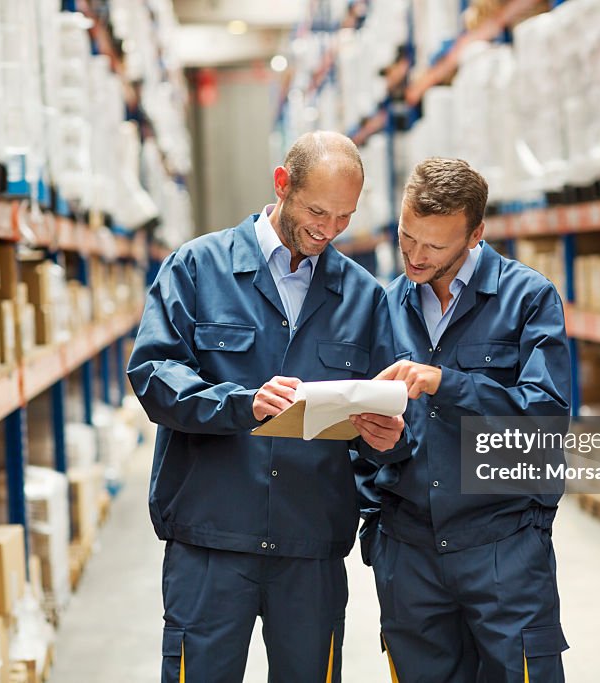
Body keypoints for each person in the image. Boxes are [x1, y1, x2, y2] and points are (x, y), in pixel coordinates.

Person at [127, 131, 408, 683]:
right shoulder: (196, 269)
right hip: (211, 539)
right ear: (282, 184)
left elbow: (388, 413)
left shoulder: (364, 296)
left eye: (344, 218)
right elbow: (153, 375)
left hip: (310, 547)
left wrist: (383, 439)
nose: (328, 230)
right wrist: (241, 403)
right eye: (317, 211)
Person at [370, 158, 572, 682]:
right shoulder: (385, 307)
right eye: (406, 237)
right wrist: (379, 447)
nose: (415, 256)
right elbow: (370, 440)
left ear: (475, 234)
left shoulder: (527, 298)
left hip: (501, 546)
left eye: (434, 246)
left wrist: (447, 382)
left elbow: (544, 418)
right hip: (410, 552)